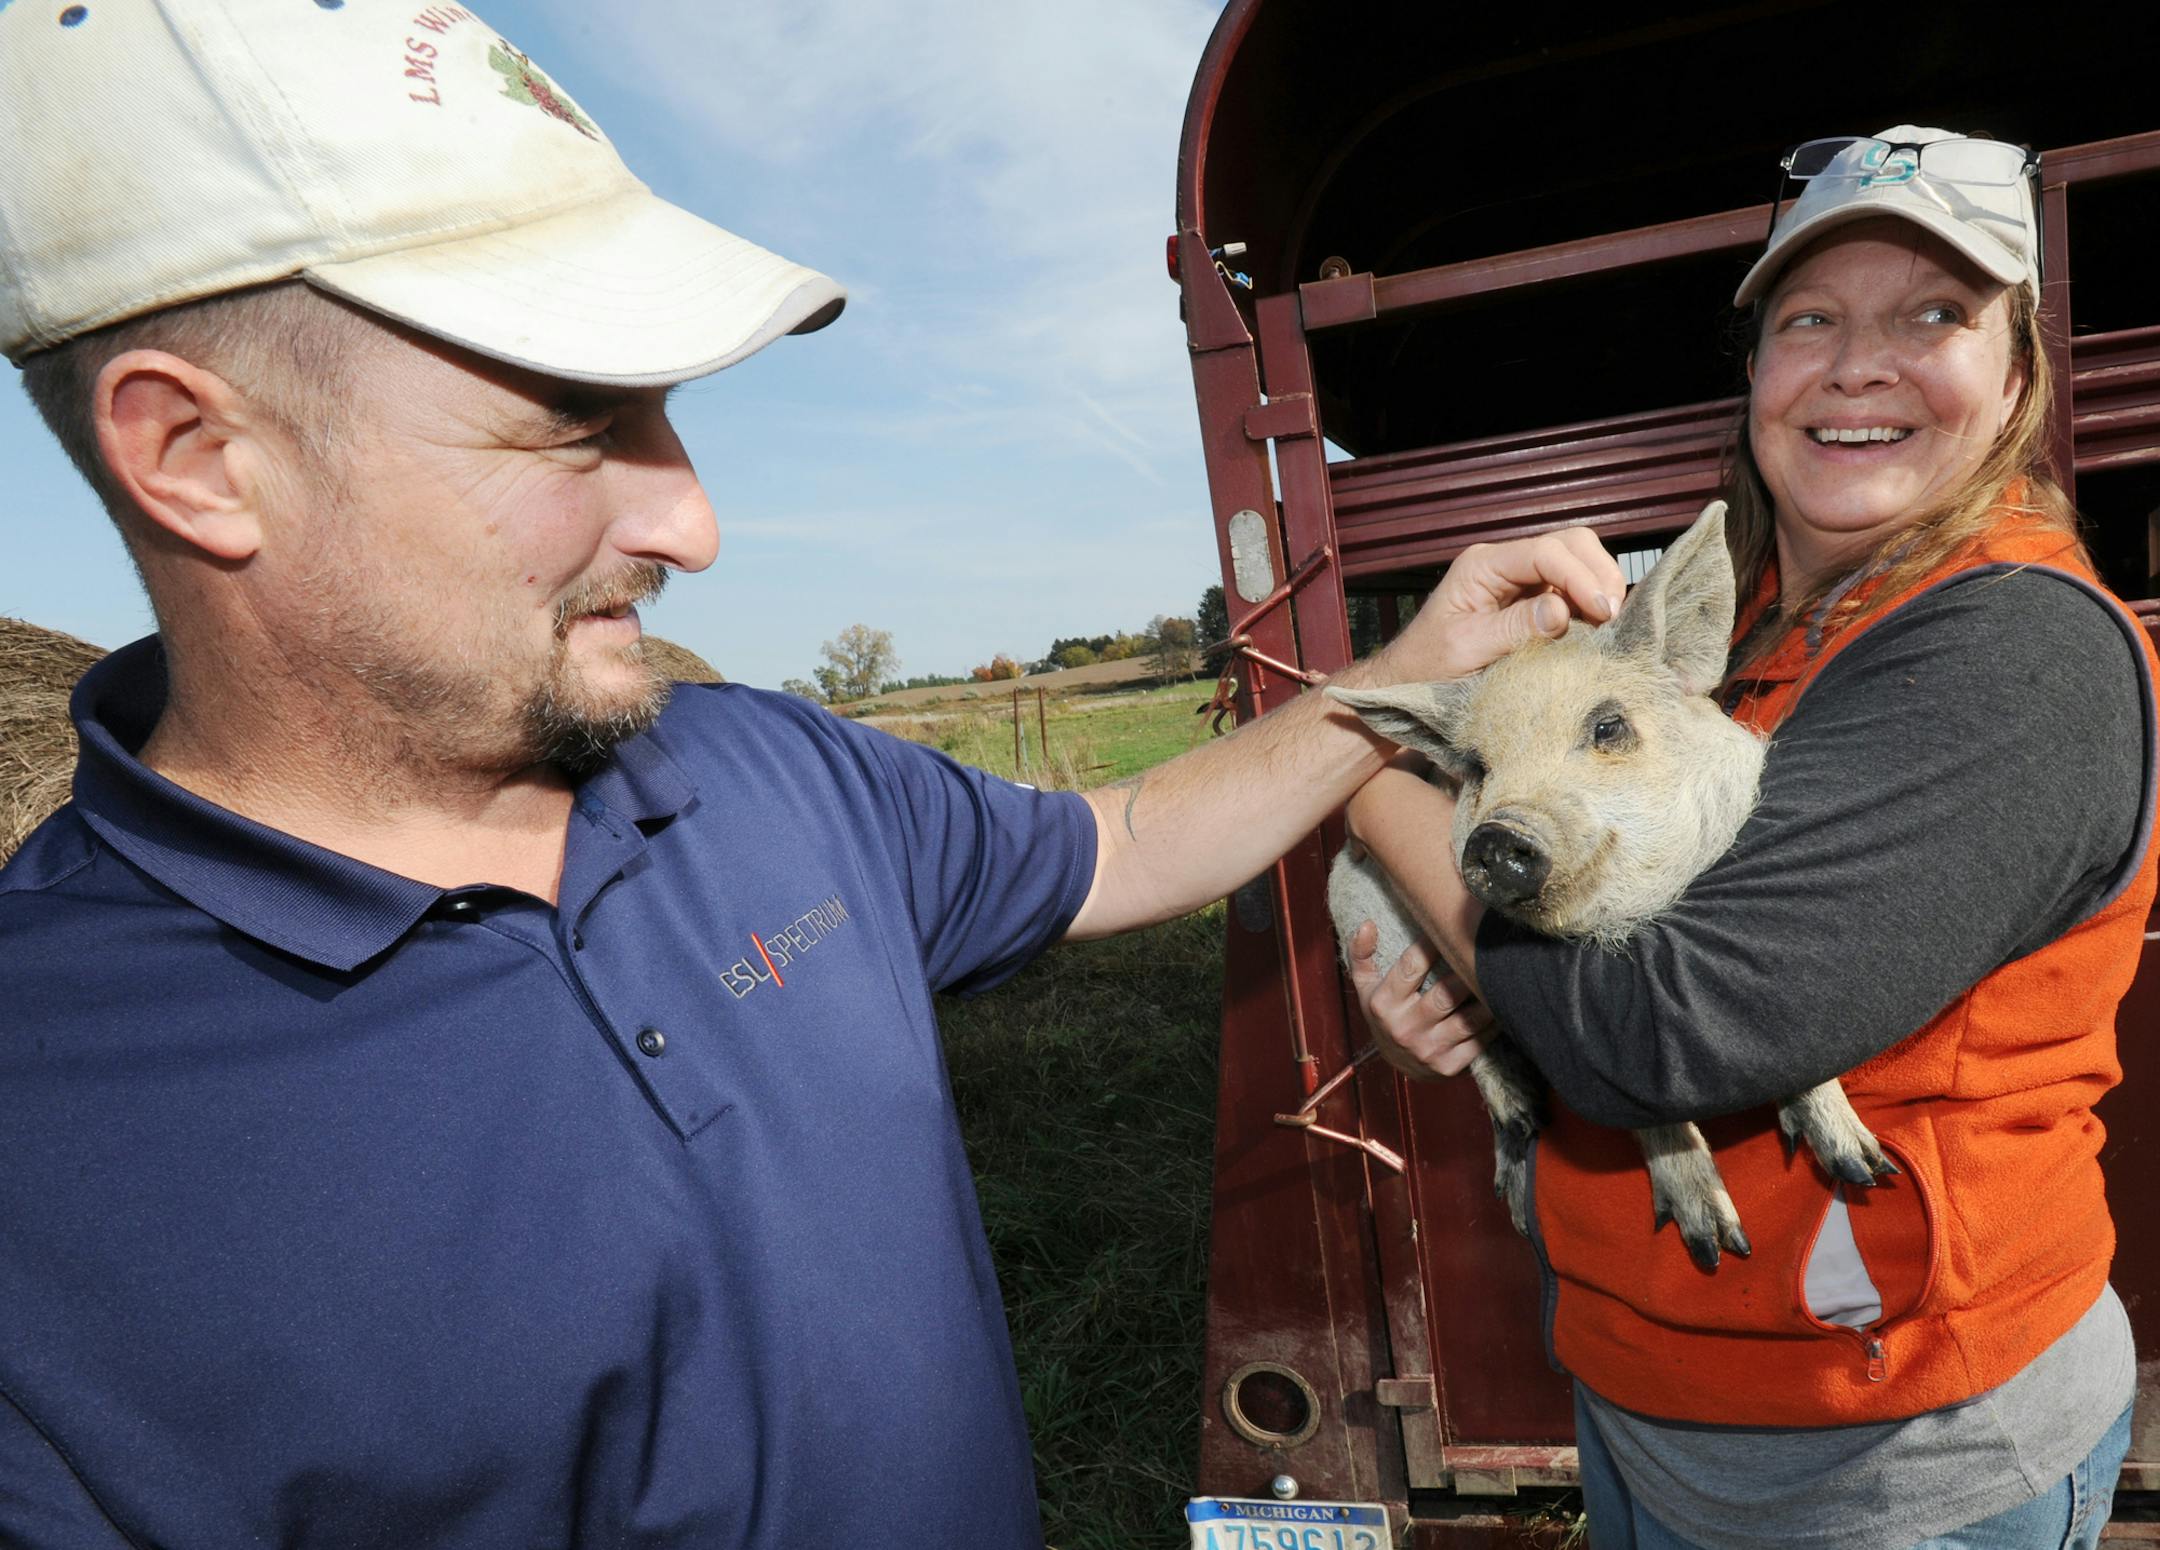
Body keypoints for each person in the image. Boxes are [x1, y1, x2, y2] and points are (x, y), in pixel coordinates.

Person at [0, 4, 1617, 1546]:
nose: (692, 525)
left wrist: (1406, 676)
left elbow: (1117, 835)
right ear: (199, 457)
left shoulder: (764, 766)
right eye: (572, 424)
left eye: (668, 414)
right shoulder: (53, 1139)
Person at [1345, 128, 2155, 1549]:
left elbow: (1667, 1028)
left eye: (1933, 315)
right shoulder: (1737, 626)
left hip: (1895, 1458)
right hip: (1648, 1396)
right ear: (1758, 375)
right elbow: (1573, 930)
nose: (1857, 365)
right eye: (1808, 321)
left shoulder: (2016, 654)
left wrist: (1375, 800)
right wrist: (1473, 996)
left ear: (2020, 375)